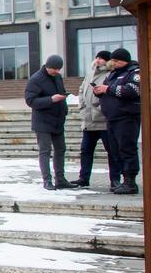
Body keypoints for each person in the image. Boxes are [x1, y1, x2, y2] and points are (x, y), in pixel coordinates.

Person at [69, 50, 119, 190]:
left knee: (112, 151)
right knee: (85, 151)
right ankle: (84, 178)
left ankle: (115, 180)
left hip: (103, 120)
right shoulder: (90, 73)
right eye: (97, 57)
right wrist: (82, 106)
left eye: (102, 58)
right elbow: (81, 90)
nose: (98, 60)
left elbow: (111, 93)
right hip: (89, 121)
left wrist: (101, 107)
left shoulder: (110, 74)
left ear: (108, 61)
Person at [97, 47, 141, 195]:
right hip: (112, 118)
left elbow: (133, 90)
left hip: (126, 117)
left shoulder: (134, 72)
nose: (113, 63)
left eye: (117, 60)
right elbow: (108, 91)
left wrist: (108, 89)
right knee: (116, 151)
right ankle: (123, 180)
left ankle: (130, 182)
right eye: (112, 60)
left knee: (127, 149)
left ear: (125, 60)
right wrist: (99, 91)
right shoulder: (113, 74)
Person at [25, 55, 71, 191]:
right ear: (47, 66)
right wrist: (51, 99)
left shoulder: (57, 77)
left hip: (57, 120)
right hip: (42, 121)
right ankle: (47, 180)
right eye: (54, 69)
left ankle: (60, 179)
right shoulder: (36, 79)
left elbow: (60, 92)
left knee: (60, 149)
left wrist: (64, 105)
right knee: (45, 151)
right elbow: (30, 101)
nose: (56, 71)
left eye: (58, 69)